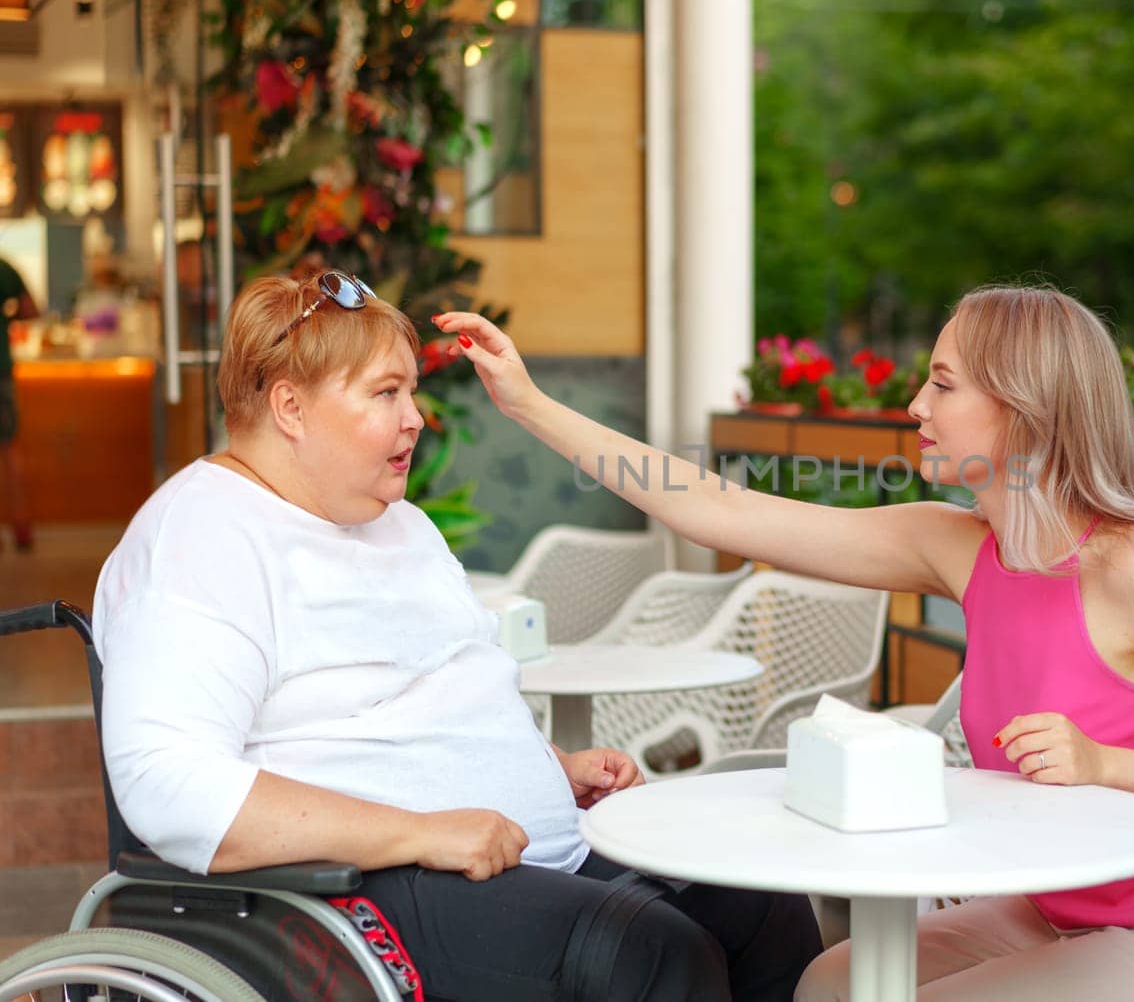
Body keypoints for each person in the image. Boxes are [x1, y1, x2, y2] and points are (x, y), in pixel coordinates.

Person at [435, 284, 1134, 1002]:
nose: (915, 405)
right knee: (832, 982)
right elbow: (719, 507)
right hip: (1055, 910)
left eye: (943, 385)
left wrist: (1105, 764)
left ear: (1023, 407)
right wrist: (532, 407)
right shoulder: (958, 547)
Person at [93, 272, 821, 1002]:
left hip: (512, 856)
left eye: (411, 392)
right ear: (290, 406)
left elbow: (444, 689)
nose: (415, 418)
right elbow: (167, 784)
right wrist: (418, 832)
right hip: (355, 892)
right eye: (386, 394)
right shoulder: (203, 537)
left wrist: (547, 767)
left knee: (762, 906)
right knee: (657, 954)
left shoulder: (396, 522)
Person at [0, 253, 37, 551]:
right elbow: (31, 309)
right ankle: (21, 527)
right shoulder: (4, 268)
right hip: (1, 372)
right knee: (10, 450)